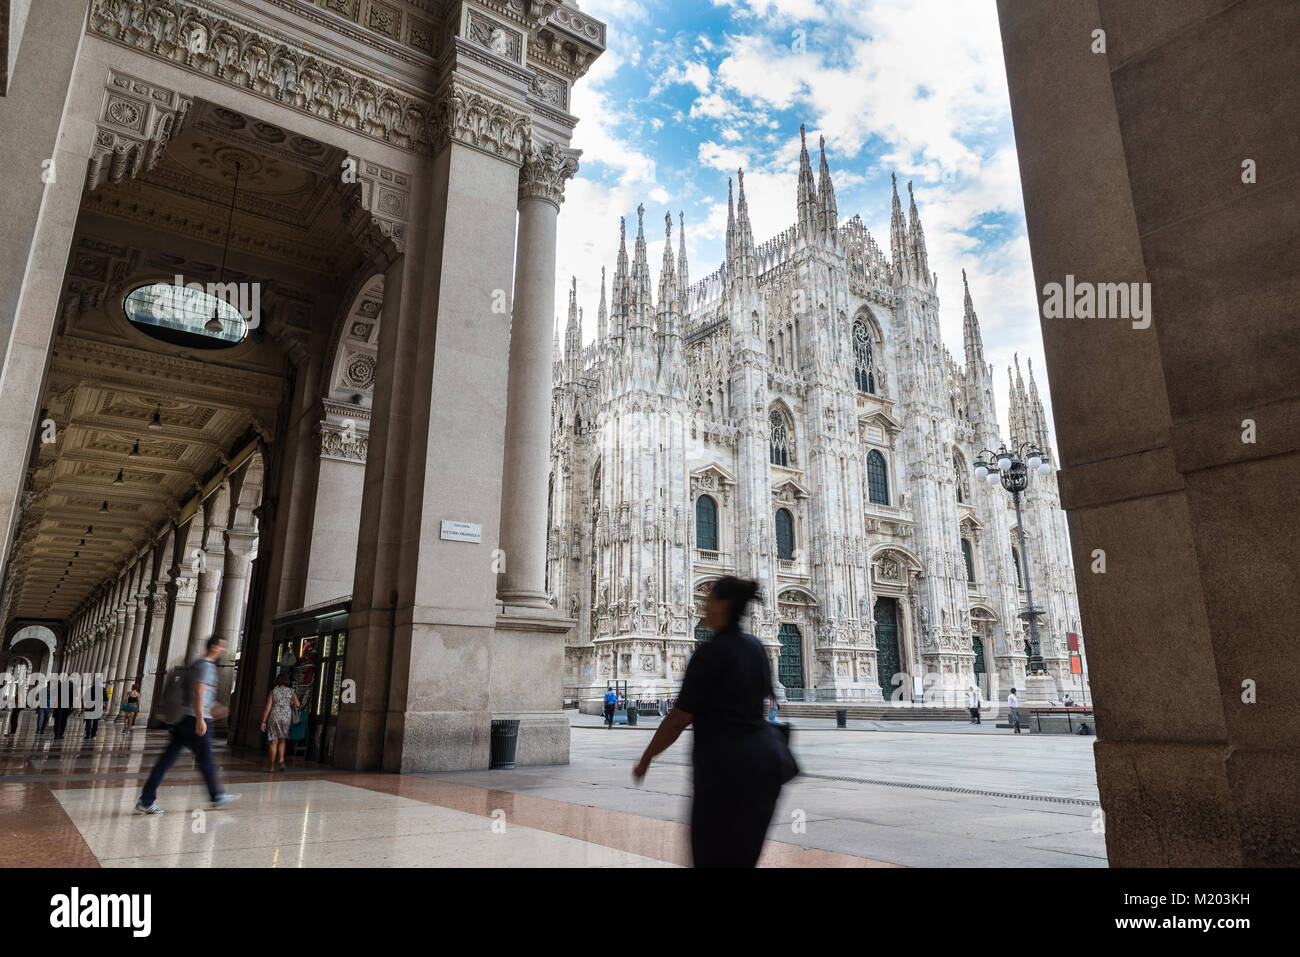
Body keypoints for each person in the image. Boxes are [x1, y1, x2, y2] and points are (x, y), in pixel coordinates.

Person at [633, 576, 792, 868]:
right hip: (765, 767)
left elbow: (679, 718)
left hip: (725, 771)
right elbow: (768, 697)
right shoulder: (756, 646)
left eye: (709, 600)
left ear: (723, 605)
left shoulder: (708, 654)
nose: (704, 607)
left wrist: (646, 756)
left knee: (711, 855)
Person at [136, 635, 241, 814]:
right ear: (214, 647)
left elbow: (200, 694)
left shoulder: (195, 665)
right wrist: (201, 718)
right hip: (195, 720)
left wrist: (216, 708)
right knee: (206, 760)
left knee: (166, 761)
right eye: (222, 647)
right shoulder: (206, 667)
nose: (223, 650)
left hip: (184, 719)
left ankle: (146, 799)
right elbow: (199, 692)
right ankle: (216, 795)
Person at [261, 672, 301, 771]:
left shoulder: (273, 692)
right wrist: (289, 703)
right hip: (286, 717)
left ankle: (271, 767)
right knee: (282, 740)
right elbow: (298, 704)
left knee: (273, 742)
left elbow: (268, 707)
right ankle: (281, 760)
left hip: (274, 716)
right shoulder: (291, 691)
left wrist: (263, 721)